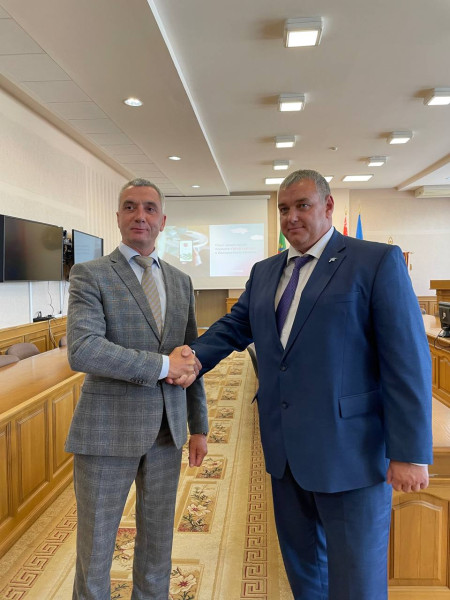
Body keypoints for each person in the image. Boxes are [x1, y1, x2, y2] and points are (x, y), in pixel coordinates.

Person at [188, 170, 432, 600]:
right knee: (305, 575)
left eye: (303, 205)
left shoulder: (375, 261)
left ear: (328, 206)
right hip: (284, 454)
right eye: (284, 208)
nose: (291, 217)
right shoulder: (265, 272)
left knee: (357, 582)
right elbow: (234, 327)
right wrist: (190, 358)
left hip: (351, 456)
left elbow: (407, 362)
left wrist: (409, 452)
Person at [65, 178, 208, 599]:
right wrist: (163, 366)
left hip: (168, 432)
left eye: (149, 208)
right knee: (96, 548)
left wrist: (199, 426)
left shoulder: (181, 281)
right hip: (106, 432)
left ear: (163, 220)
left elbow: (190, 357)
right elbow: (84, 349)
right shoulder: (89, 275)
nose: (139, 215)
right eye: (130, 207)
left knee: (158, 544)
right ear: (118, 217)